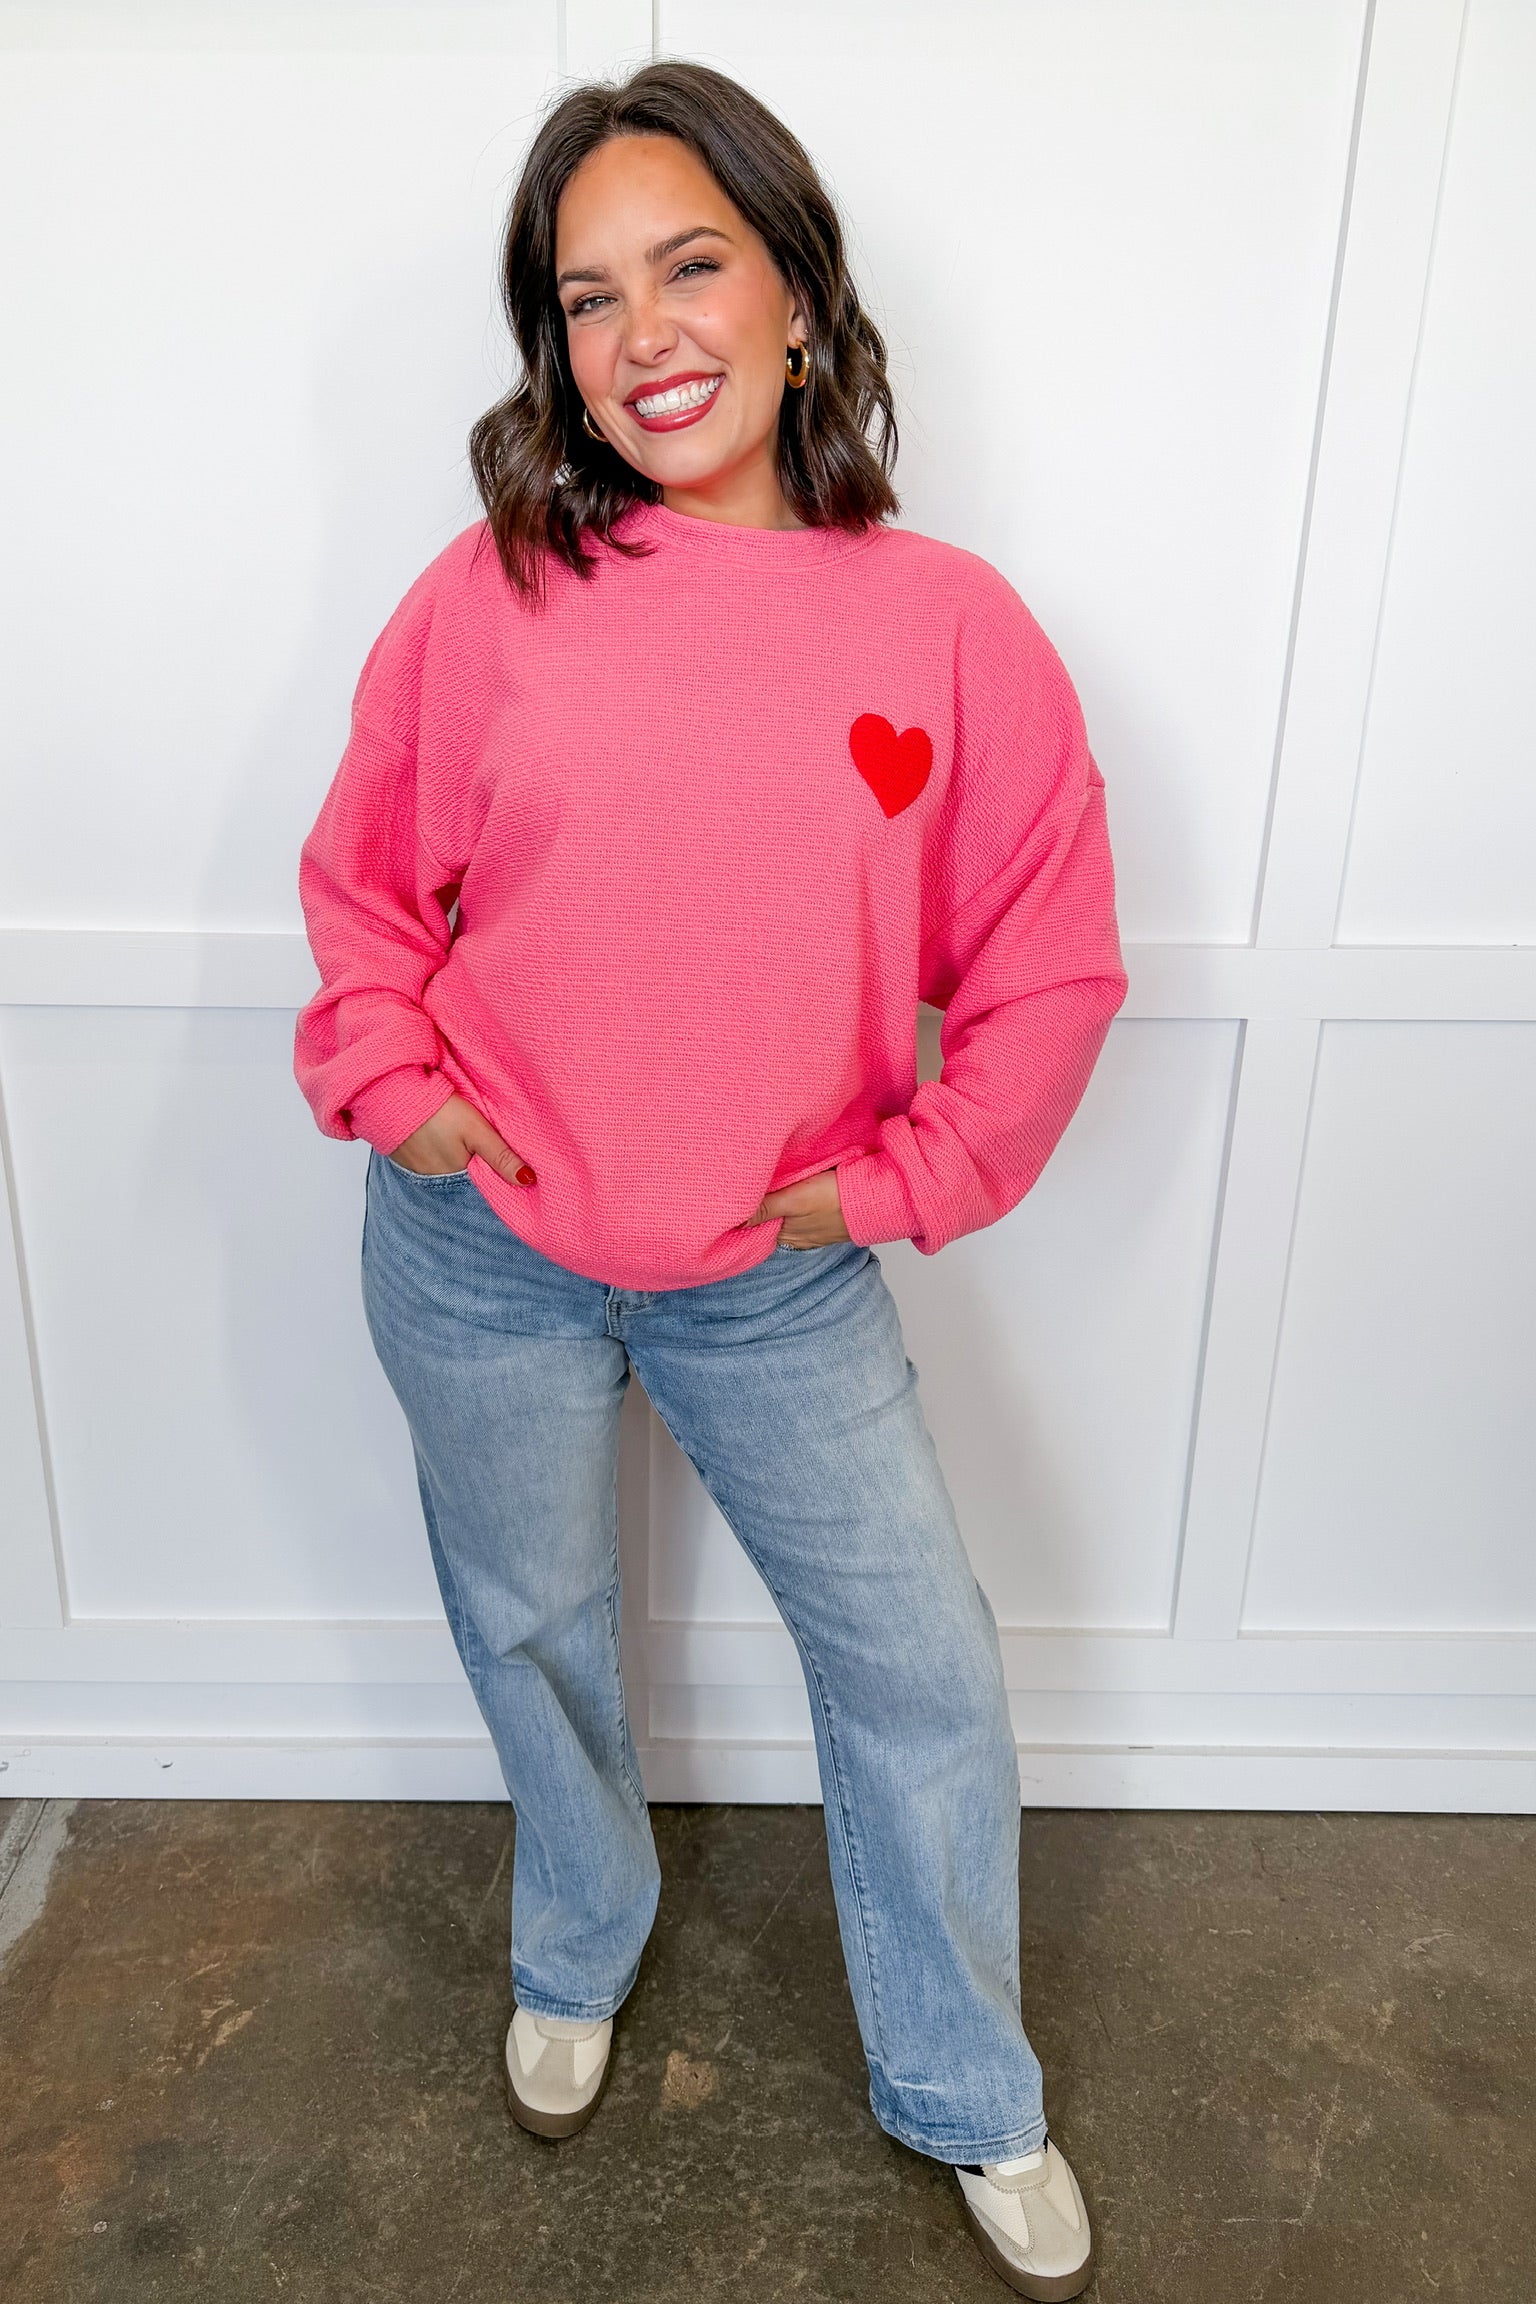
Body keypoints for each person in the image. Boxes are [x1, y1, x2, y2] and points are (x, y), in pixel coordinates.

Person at [292, 58, 1126, 2301]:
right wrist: (399, 1085)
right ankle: (577, 1939)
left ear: (796, 295)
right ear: (554, 345)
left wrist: (904, 1180)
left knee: (921, 1666)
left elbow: (1048, 959)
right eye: (588, 297)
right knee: (533, 1620)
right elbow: (365, 884)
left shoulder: (944, 625)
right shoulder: (494, 592)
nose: (642, 333)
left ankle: (964, 2082)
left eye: (690, 265)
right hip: (480, 1246)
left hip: (772, 1272)